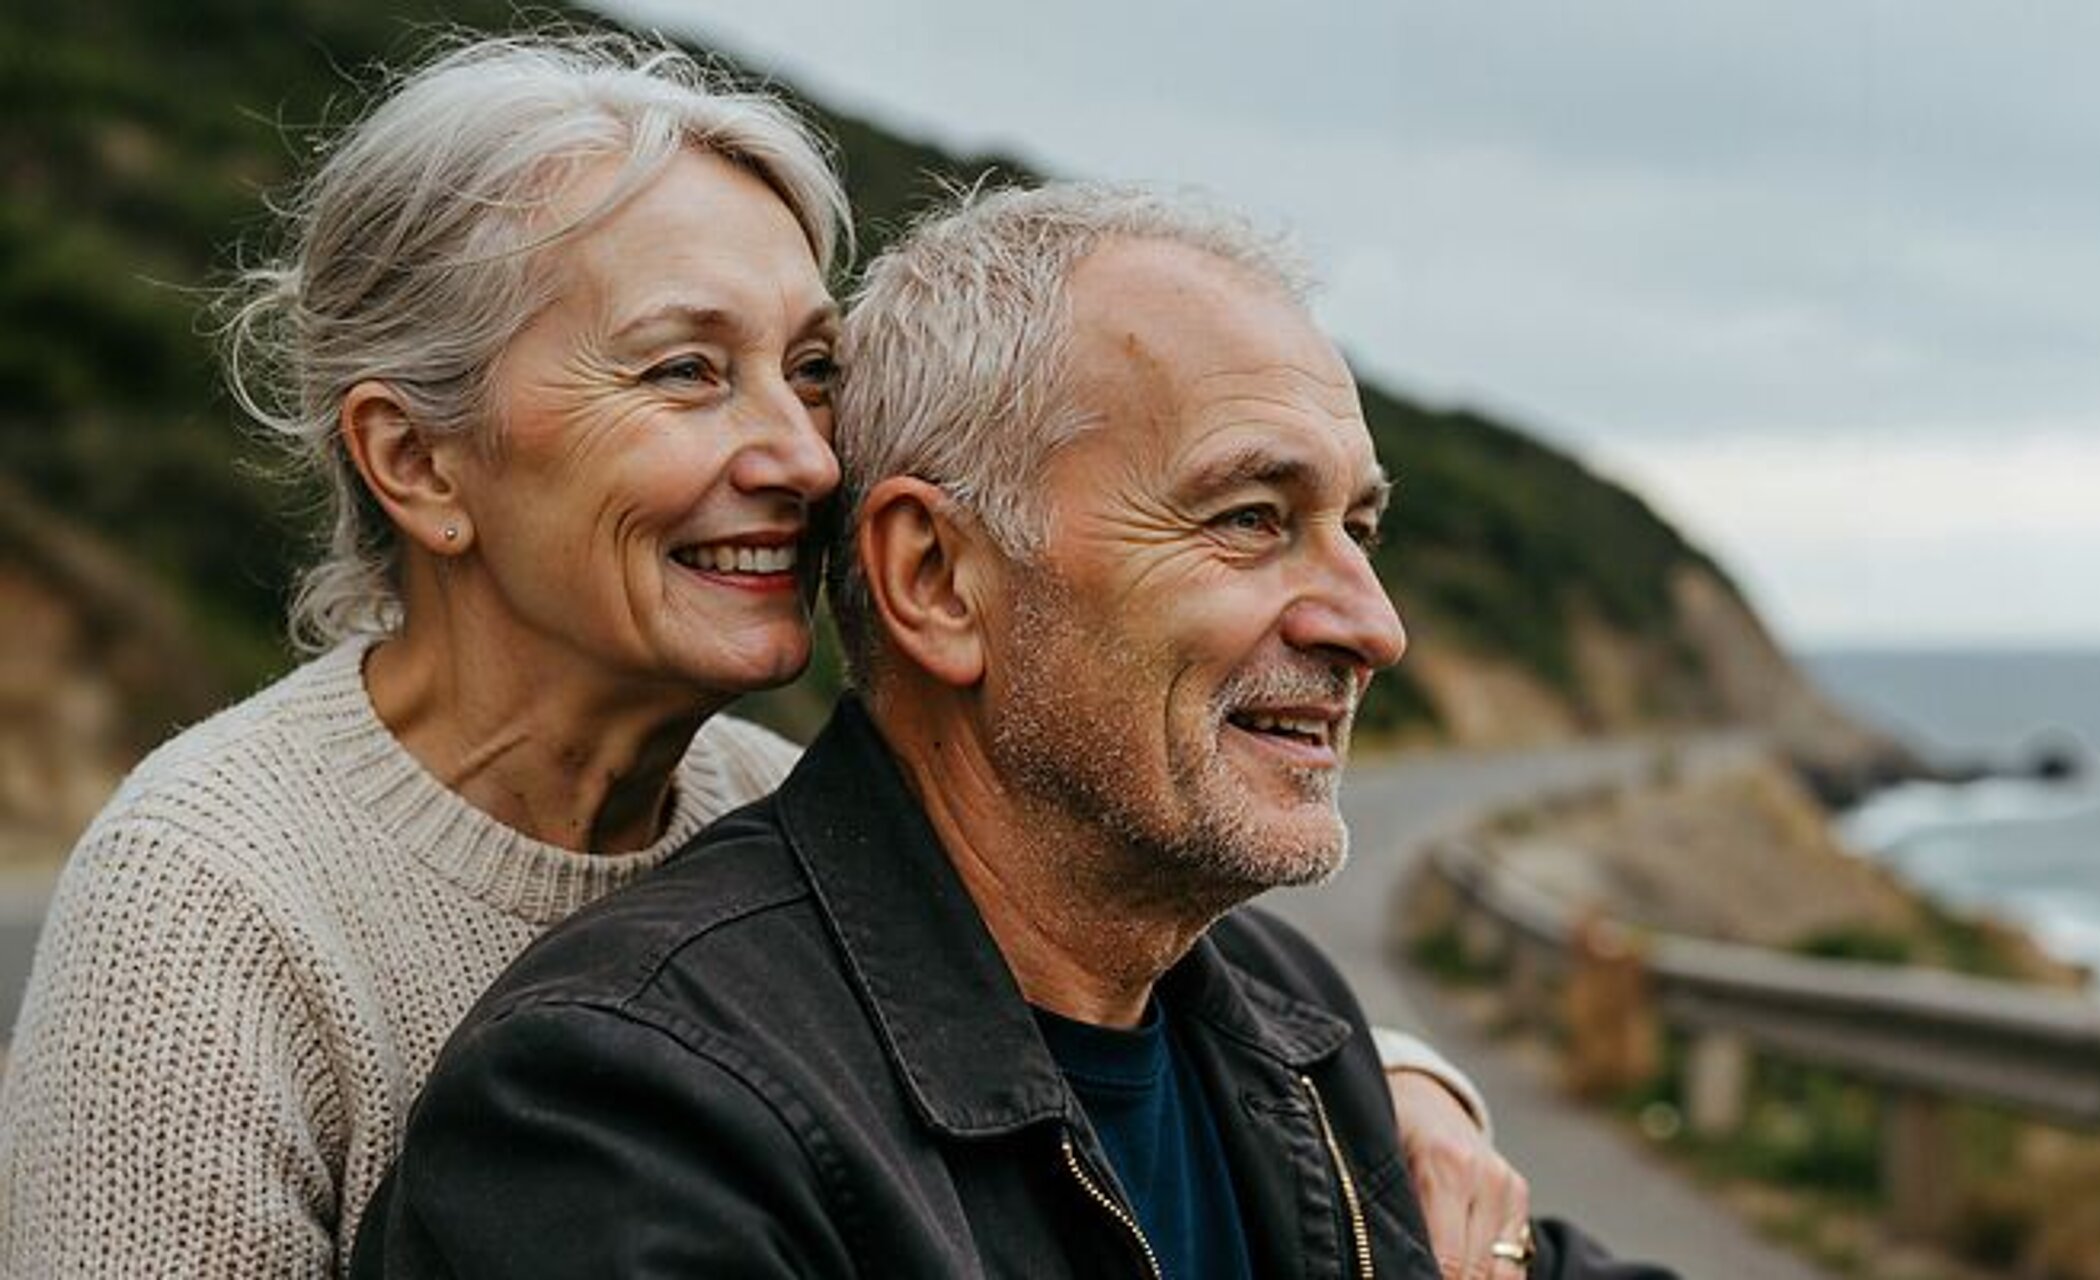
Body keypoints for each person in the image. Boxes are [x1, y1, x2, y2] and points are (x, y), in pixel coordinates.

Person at [0, 38, 1504, 1276]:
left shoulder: (752, 790)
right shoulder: (210, 901)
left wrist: (1399, 1084)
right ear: (419, 464)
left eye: (809, 370)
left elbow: (1056, 977)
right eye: (683, 372)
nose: (798, 455)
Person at [357, 183, 1676, 1279]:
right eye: (1248, 519)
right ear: (936, 579)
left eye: (1358, 529)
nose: (1370, 625)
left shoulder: (1285, 1017)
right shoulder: (632, 1111)